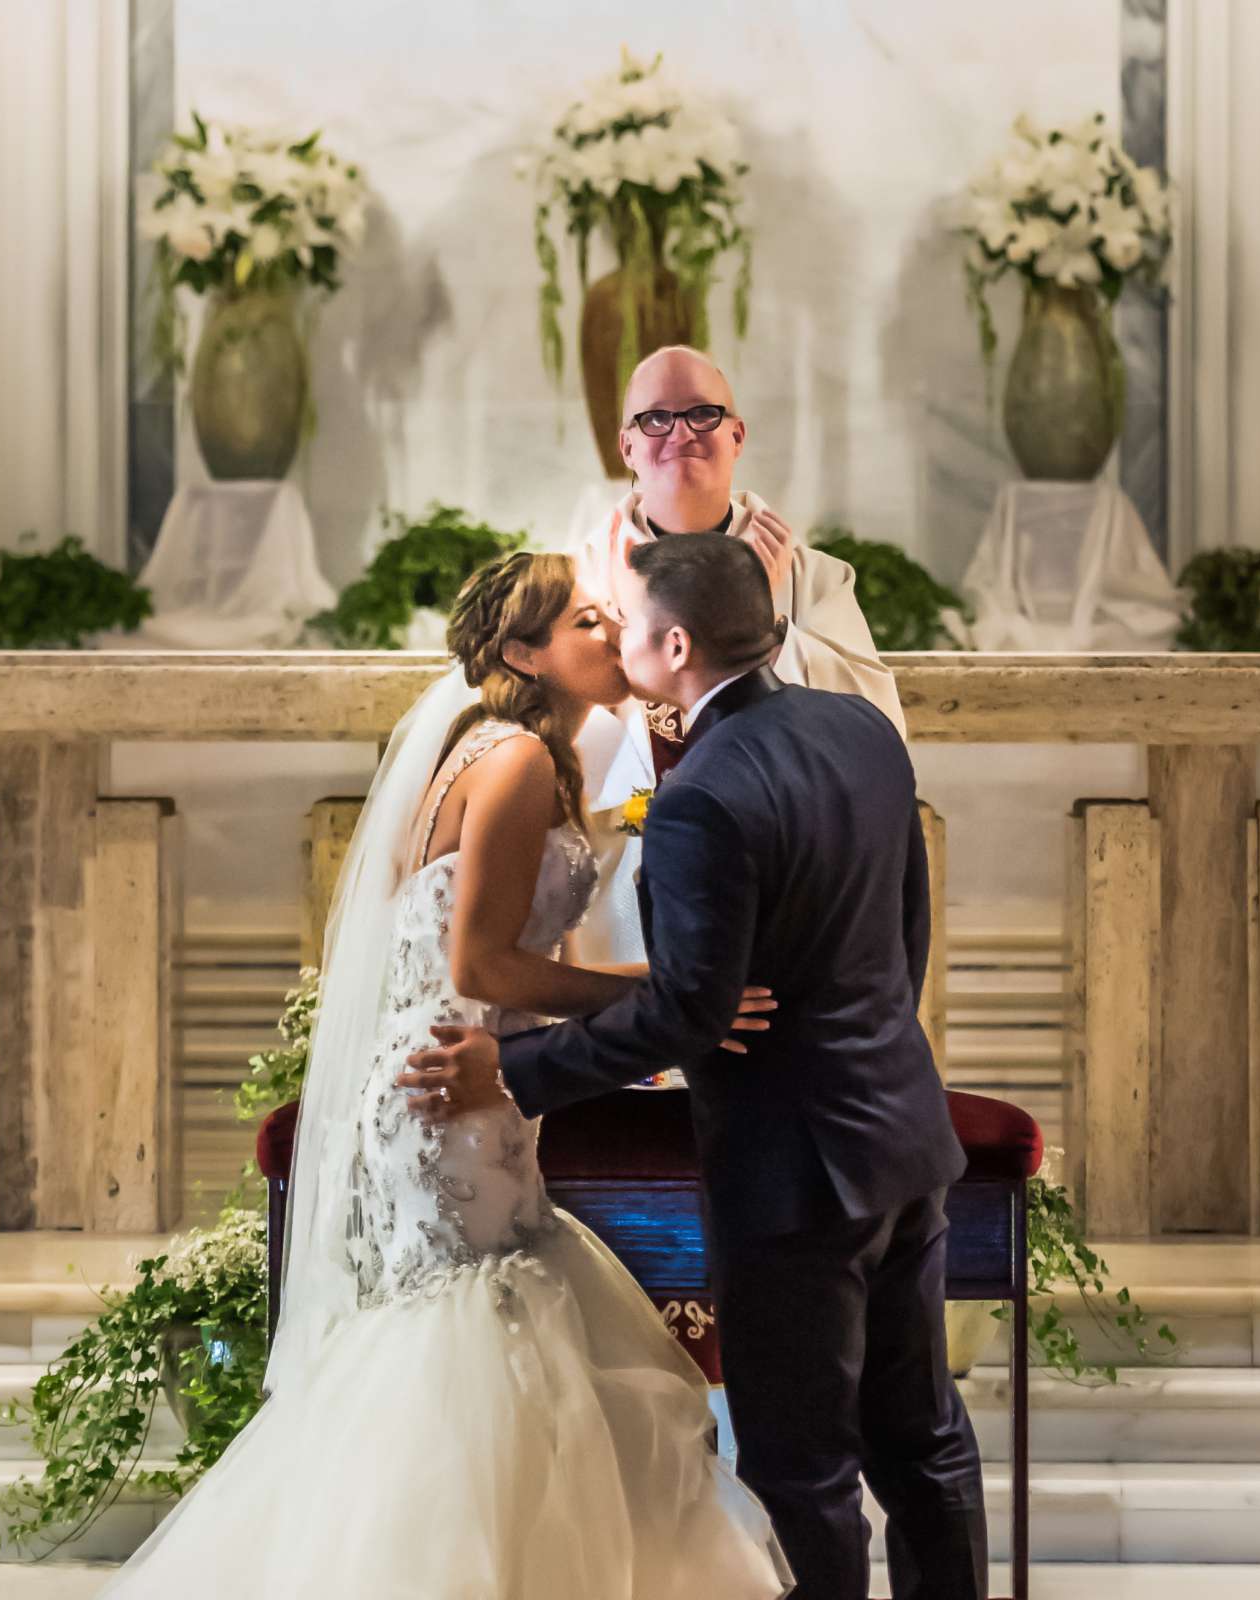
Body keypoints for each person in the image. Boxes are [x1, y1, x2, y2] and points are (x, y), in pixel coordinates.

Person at [100, 551, 788, 1599]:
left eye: (612, 621)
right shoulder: (512, 764)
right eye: (587, 626)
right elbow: (480, 967)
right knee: (474, 1339)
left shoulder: (491, 751)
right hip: (451, 1091)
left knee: (470, 1332)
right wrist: (663, 999)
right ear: (525, 653)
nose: (612, 637)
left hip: (444, 1079)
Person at [402, 534, 987, 1600]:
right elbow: (908, 935)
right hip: (903, 1130)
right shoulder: (860, 729)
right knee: (924, 1437)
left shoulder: (702, 793)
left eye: (626, 619)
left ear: (676, 643)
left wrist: (515, 1068)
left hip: (794, 1172)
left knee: (802, 1467)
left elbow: (688, 1014)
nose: (618, 635)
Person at [566, 344, 902, 965]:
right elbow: (540, 731)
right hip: (618, 871)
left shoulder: (811, 578)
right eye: (656, 419)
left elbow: (878, 730)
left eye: (702, 413)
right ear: (627, 447)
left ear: (738, 433)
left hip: (779, 871)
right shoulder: (581, 578)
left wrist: (773, 626)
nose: (681, 434)